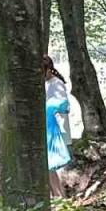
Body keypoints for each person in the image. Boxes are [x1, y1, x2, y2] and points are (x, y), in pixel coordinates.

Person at [44, 55, 71, 197]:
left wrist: (51, 107)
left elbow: (65, 106)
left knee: (57, 167)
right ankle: (56, 196)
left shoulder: (57, 83)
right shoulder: (45, 84)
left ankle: (61, 199)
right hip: (49, 130)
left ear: (49, 69)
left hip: (58, 129)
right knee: (50, 167)